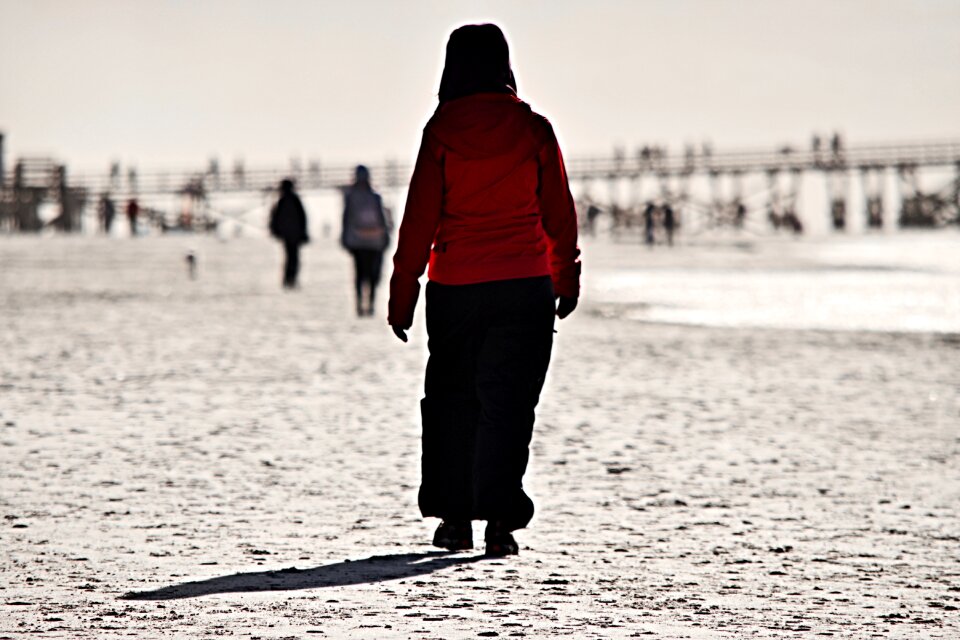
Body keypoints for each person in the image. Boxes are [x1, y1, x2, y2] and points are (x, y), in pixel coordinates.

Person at [388, 23, 580, 557]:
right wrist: (567, 276)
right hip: (525, 285)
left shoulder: (441, 130)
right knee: (509, 404)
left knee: (452, 401)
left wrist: (403, 292)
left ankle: (454, 521)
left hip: (456, 288)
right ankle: (500, 521)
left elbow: (418, 220)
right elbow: (559, 214)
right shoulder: (534, 129)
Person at [341, 165, 391, 316]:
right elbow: (383, 220)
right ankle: (370, 304)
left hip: (357, 241)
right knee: (372, 275)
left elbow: (346, 219)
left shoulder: (351, 197)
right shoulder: (375, 196)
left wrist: (345, 238)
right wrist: (385, 238)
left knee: (359, 274)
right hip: (375, 241)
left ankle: (359, 305)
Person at [269, 179, 309, 289]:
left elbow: (275, 217)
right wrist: (304, 232)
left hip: (287, 235)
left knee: (289, 257)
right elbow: (303, 218)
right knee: (294, 258)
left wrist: (275, 230)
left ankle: (288, 280)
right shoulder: (295, 200)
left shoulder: (282, 201)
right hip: (294, 234)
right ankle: (291, 279)